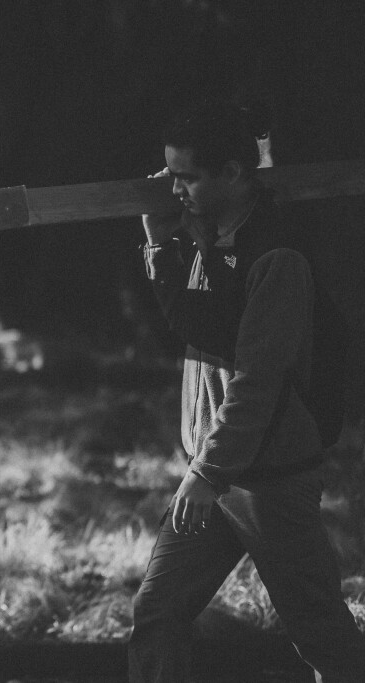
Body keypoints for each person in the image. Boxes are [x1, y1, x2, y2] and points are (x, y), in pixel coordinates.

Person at [128, 99, 365, 682]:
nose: (173, 188)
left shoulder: (276, 257)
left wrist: (208, 472)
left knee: (320, 630)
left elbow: (258, 381)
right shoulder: (208, 238)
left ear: (233, 172)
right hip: (214, 473)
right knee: (157, 613)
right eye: (170, 174)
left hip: (269, 480)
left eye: (186, 176)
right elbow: (192, 325)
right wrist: (159, 240)